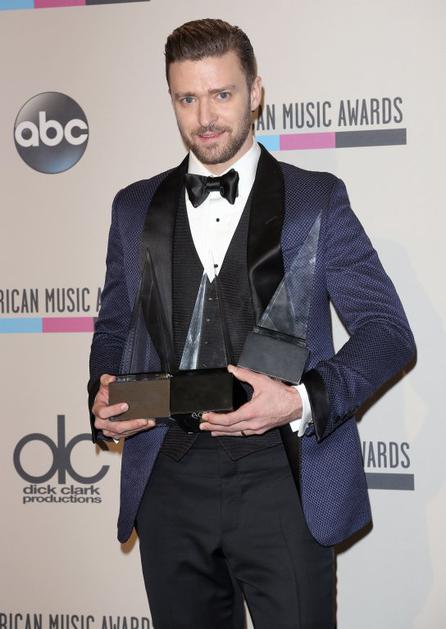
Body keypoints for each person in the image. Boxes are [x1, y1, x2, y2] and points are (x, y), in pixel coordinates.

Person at [88, 18, 415, 629]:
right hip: (168, 478)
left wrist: (300, 400)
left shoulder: (316, 199)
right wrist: (102, 396)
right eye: (187, 98)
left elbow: (387, 331)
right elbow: (112, 330)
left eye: (222, 94)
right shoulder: (133, 208)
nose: (205, 117)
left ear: (256, 91)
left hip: (283, 476)